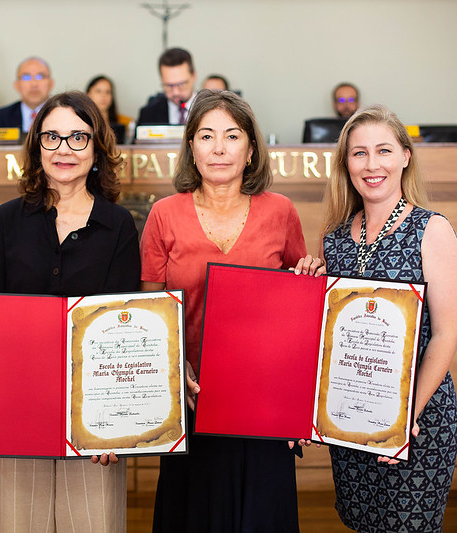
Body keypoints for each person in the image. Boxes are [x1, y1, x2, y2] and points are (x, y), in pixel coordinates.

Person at [140, 89, 321, 532]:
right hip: (191, 397)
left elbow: (297, 304)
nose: (219, 148)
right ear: (191, 147)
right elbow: (147, 313)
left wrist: (311, 275)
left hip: (263, 400)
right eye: (206, 136)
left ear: (251, 148)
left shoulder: (281, 212)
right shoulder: (163, 214)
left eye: (232, 136)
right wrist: (173, 367)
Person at [0, 91, 140, 532]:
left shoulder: (120, 226)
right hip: (18, 406)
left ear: (97, 150)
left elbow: (126, 336)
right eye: (52, 137)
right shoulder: (2, 222)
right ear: (36, 148)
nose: (64, 149)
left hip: (96, 415)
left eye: (78, 138)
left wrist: (119, 425)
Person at [318, 104, 457, 532]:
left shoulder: (431, 230)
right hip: (349, 421)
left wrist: (404, 419)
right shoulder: (334, 240)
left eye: (384, 150)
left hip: (417, 424)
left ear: (405, 156)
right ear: (346, 164)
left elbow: (445, 335)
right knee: (362, 523)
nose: (372, 164)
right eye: (359, 153)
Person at [0, 56, 54, 133]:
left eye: (40, 77)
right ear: (16, 85)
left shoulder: (63, 115)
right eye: (26, 77)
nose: (34, 84)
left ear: (51, 84)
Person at [137, 47, 197, 127]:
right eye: (169, 86)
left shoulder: (209, 109)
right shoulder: (148, 113)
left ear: (193, 76)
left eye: (181, 84)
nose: (176, 92)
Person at [86, 75, 126, 144]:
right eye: (98, 91)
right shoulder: (81, 122)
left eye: (108, 92)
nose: (103, 95)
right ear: (88, 94)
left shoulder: (125, 122)